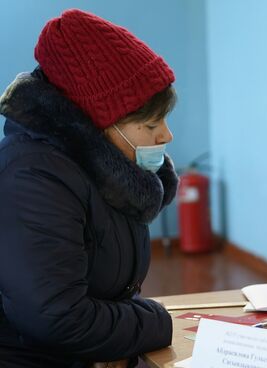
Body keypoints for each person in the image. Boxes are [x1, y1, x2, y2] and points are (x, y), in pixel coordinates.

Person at [0, 9, 179, 368]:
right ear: (101, 120)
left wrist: (119, 345)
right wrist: (157, 321)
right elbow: (58, 318)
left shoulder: (105, 169)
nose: (166, 135)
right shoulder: (33, 175)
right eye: (151, 122)